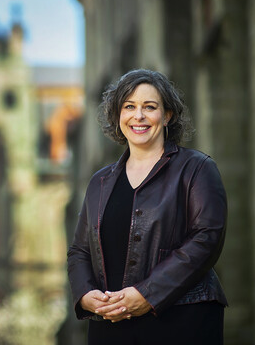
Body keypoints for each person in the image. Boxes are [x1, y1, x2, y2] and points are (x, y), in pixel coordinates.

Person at [67, 69, 228, 344]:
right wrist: (85, 296)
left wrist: (146, 294)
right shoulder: (100, 181)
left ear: (167, 116)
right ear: (118, 116)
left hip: (182, 322)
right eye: (129, 107)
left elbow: (207, 238)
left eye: (149, 107)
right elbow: (80, 251)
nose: (138, 116)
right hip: (109, 326)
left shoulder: (197, 169)